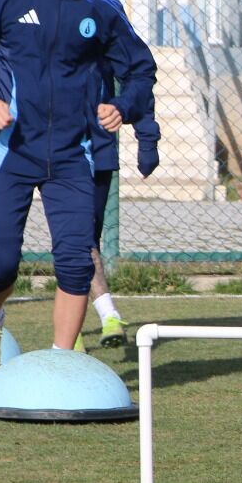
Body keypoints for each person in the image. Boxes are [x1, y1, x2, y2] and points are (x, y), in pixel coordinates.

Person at [0, 0, 157, 375]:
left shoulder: (102, 7)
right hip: (9, 151)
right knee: (0, 264)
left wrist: (123, 107)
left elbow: (141, 69)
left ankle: (62, 365)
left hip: (73, 155)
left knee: (75, 262)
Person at [84, 56, 162, 348]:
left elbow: (137, 74)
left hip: (95, 146)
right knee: (71, 236)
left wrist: (147, 137)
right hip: (38, 145)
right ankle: (100, 317)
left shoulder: (105, 10)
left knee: (83, 237)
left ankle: (102, 318)